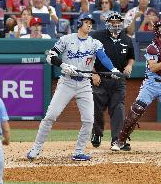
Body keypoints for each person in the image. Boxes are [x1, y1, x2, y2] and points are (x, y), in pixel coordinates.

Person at [26, 13, 120, 161]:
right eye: (86, 22)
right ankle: (36, 148)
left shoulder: (94, 43)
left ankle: (78, 151)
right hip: (67, 82)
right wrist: (63, 65)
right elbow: (50, 56)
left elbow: (103, 57)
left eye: (91, 23)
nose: (89, 25)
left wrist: (113, 70)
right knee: (51, 115)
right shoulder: (66, 39)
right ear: (79, 23)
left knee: (89, 120)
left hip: (84, 83)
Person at [110, 19, 161, 155]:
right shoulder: (152, 47)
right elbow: (153, 68)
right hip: (150, 83)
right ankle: (120, 141)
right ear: (157, 30)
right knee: (135, 112)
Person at [90, 12, 135, 150]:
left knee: (118, 109)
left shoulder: (127, 39)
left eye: (118, 22)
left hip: (118, 80)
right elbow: (88, 56)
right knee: (96, 108)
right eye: (112, 22)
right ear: (107, 22)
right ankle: (97, 133)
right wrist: (93, 73)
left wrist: (129, 65)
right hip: (100, 78)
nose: (115, 25)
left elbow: (131, 57)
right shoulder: (97, 36)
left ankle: (117, 139)